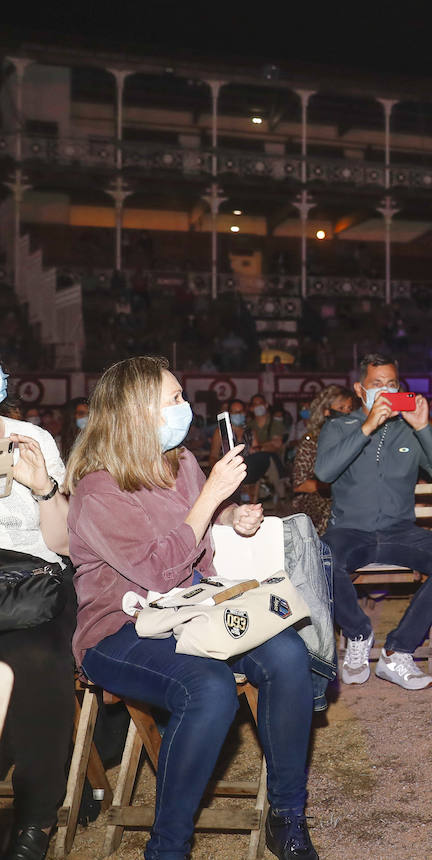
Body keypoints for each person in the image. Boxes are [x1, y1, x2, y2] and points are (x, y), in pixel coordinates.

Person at [66, 356, 318, 860]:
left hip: (193, 610)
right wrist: (210, 498)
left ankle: (287, 815)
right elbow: (157, 571)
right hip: (121, 630)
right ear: (137, 414)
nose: (187, 407)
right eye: (174, 399)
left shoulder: (178, 461)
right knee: (209, 689)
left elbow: (200, 525)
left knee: (290, 654)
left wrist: (232, 514)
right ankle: (168, 848)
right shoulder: (98, 488)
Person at [316, 353, 432, 691]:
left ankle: (398, 651)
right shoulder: (338, 426)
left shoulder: (408, 430)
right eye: (376, 385)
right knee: (324, 557)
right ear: (359, 389)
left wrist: (423, 427)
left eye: (392, 384)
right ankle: (358, 633)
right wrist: (367, 426)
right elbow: (323, 473)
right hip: (350, 531)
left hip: (399, 532)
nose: (385, 391)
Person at [0, 364, 75, 860]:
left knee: (38, 659)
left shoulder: (31, 439)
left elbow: (65, 541)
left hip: (35, 577)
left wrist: (44, 488)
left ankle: (33, 821)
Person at [290, 385, 354, 536]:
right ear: (326, 411)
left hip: (350, 495)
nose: (347, 412)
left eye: (350, 408)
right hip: (316, 498)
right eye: (341, 407)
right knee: (332, 509)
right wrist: (333, 487)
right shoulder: (311, 441)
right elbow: (299, 485)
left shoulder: (356, 439)